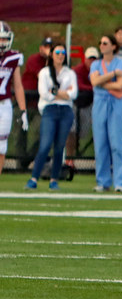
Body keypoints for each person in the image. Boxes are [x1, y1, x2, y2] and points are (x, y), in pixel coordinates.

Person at [25, 42, 77, 190]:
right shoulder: (44, 73)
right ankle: (34, 178)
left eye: (63, 53)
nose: (60, 56)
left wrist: (56, 92)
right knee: (45, 144)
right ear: (52, 55)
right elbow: (45, 94)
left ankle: (54, 179)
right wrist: (62, 93)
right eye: (57, 53)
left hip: (65, 111)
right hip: (49, 110)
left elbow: (73, 94)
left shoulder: (70, 73)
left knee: (60, 147)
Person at [90, 34, 122, 193]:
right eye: (100, 42)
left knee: (117, 144)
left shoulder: (121, 63)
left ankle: (119, 182)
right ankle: (103, 181)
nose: (102, 45)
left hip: (116, 105)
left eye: (105, 43)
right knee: (100, 145)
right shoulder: (95, 64)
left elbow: (121, 84)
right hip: (99, 104)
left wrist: (102, 82)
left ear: (113, 46)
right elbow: (94, 82)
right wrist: (113, 75)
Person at [0, 22, 30, 176]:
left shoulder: (13, 57)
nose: (2, 42)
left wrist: (23, 110)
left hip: (4, 105)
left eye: (4, 39)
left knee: (2, 147)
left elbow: (18, 86)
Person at [67, 46, 98, 159]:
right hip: (75, 104)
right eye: (90, 59)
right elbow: (79, 85)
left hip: (88, 105)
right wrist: (94, 87)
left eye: (94, 59)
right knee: (71, 132)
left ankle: (77, 154)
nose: (92, 61)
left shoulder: (99, 71)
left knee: (82, 133)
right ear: (85, 59)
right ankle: (69, 158)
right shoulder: (78, 70)